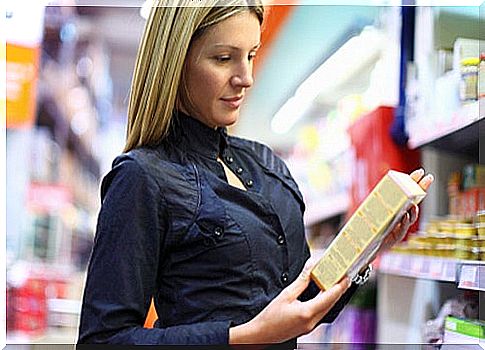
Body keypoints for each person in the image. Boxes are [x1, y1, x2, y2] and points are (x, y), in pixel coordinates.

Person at [77, 0, 434, 346]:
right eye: (223, 58)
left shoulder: (269, 167)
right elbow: (103, 338)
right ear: (176, 62)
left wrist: (368, 248)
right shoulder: (142, 177)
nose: (245, 77)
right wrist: (244, 337)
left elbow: (304, 306)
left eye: (250, 55)